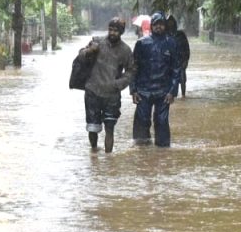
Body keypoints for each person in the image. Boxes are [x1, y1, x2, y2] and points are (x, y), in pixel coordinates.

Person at [77, 17, 134, 152]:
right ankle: (94, 154)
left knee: (110, 129)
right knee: (92, 128)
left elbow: (131, 71)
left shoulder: (125, 50)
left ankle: (108, 161)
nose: (112, 33)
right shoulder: (97, 42)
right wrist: (90, 51)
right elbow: (80, 57)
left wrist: (118, 84)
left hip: (112, 94)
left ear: (121, 32)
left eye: (116, 30)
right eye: (111, 29)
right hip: (93, 91)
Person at [130, 11, 180, 147]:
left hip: (163, 91)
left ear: (165, 26)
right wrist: (133, 90)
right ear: (151, 26)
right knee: (142, 120)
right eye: (156, 24)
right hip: (143, 90)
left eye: (161, 24)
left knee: (162, 121)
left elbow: (176, 69)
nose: (159, 27)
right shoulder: (142, 43)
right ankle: (141, 149)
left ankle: (163, 151)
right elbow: (134, 68)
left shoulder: (172, 43)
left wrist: (172, 92)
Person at [166, 15, 190, 97]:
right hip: (169, 62)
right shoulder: (165, 35)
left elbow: (187, 48)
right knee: (169, 81)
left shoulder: (181, 34)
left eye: (171, 22)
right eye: (168, 22)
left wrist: (186, 60)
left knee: (182, 80)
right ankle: (171, 95)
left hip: (180, 61)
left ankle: (183, 96)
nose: (170, 24)